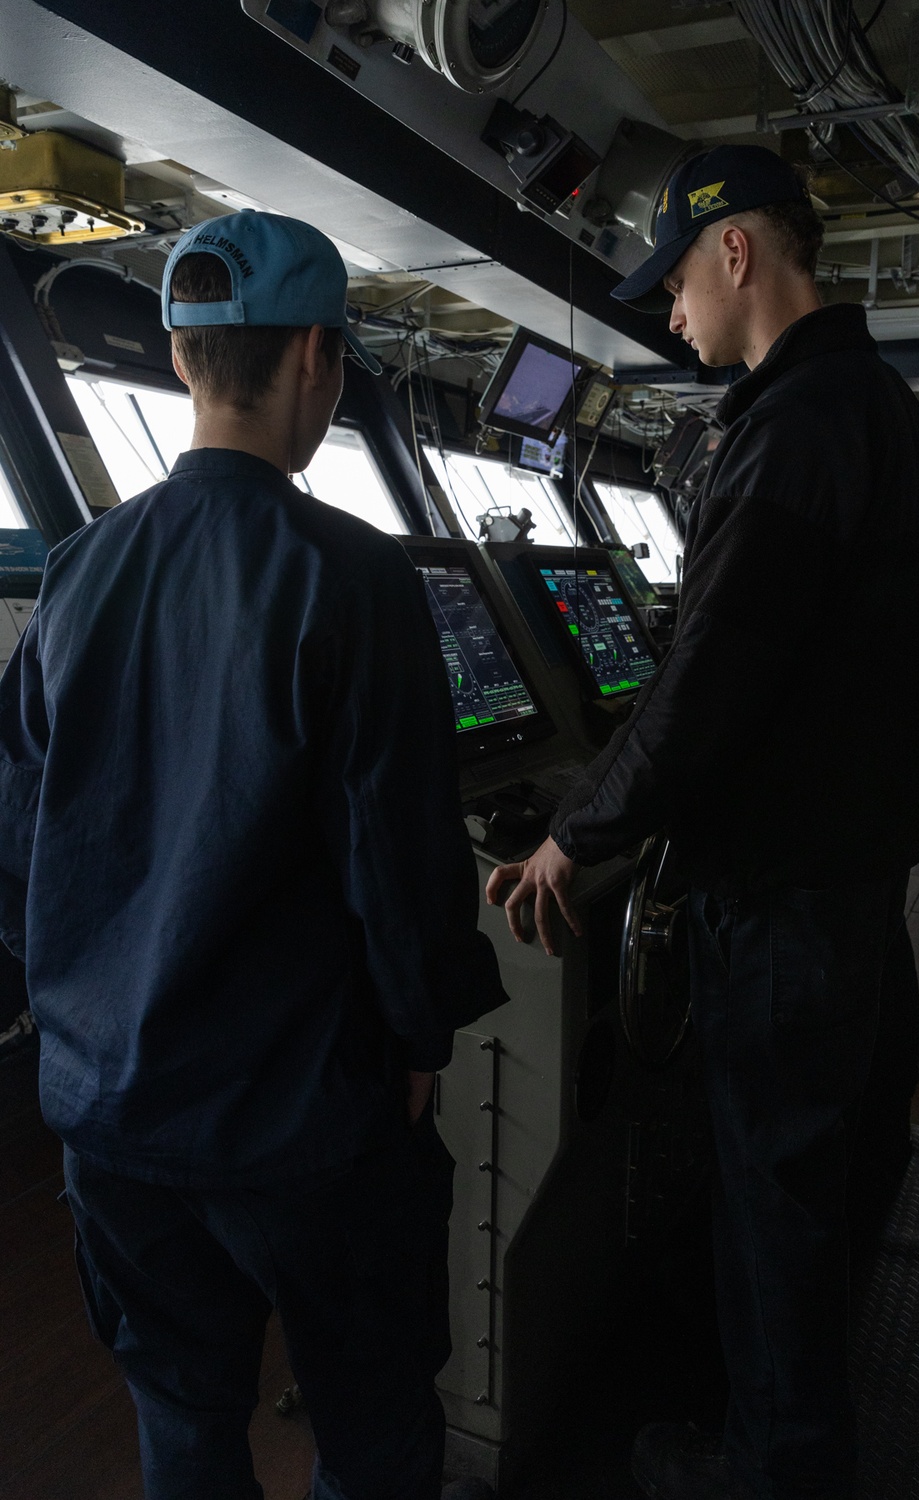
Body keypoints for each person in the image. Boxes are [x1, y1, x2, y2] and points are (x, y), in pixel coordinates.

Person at [0, 209, 506, 1500]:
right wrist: (421, 1040)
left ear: (179, 360)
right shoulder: (359, 581)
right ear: (320, 365)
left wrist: (85, 1018)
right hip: (305, 1124)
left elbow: (16, 843)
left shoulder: (75, 574)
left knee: (182, 1420)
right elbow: (398, 863)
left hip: (110, 1123)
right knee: (374, 1426)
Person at [486, 144, 919, 1500]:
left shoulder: (798, 425)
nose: (673, 316)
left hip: (788, 897)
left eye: (679, 282)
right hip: (846, 874)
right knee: (803, 1191)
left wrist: (581, 835)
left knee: (774, 1210)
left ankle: (774, 1469)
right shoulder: (865, 405)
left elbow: (713, 678)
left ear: (737, 252)